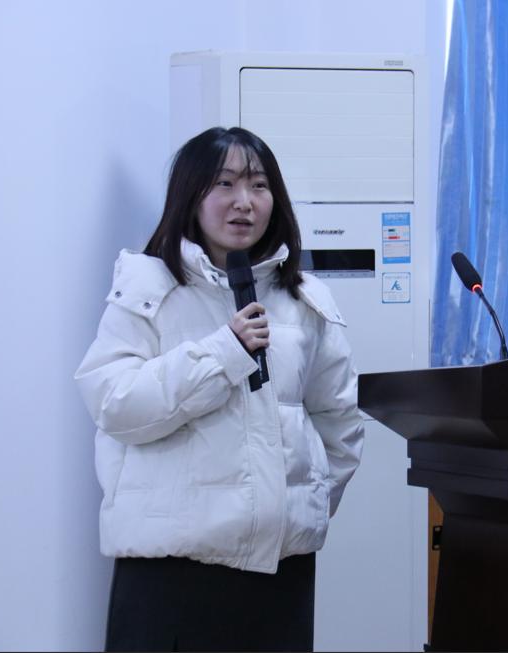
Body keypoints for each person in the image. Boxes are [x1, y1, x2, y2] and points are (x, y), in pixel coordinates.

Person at [74, 126, 364, 652]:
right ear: (191, 195)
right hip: (170, 572)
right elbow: (115, 404)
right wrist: (222, 354)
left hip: (279, 572)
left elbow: (338, 426)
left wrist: (299, 506)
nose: (243, 202)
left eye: (258, 185)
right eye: (224, 184)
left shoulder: (308, 300)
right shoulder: (148, 287)